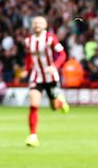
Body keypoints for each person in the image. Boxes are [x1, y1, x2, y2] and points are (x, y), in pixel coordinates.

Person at [23, 16, 70, 147]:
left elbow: (63, 54)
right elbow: (29, 57)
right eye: (35, 23)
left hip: (50, 77)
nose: (37, 25)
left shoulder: (51, 38)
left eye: (40, 23)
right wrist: (26, 69)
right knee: (34, 104)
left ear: (45, 25)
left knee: (54, 107)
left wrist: (54, 66)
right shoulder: (28, 41)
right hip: (36, 76)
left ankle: (60, 102)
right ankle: (33, 136)